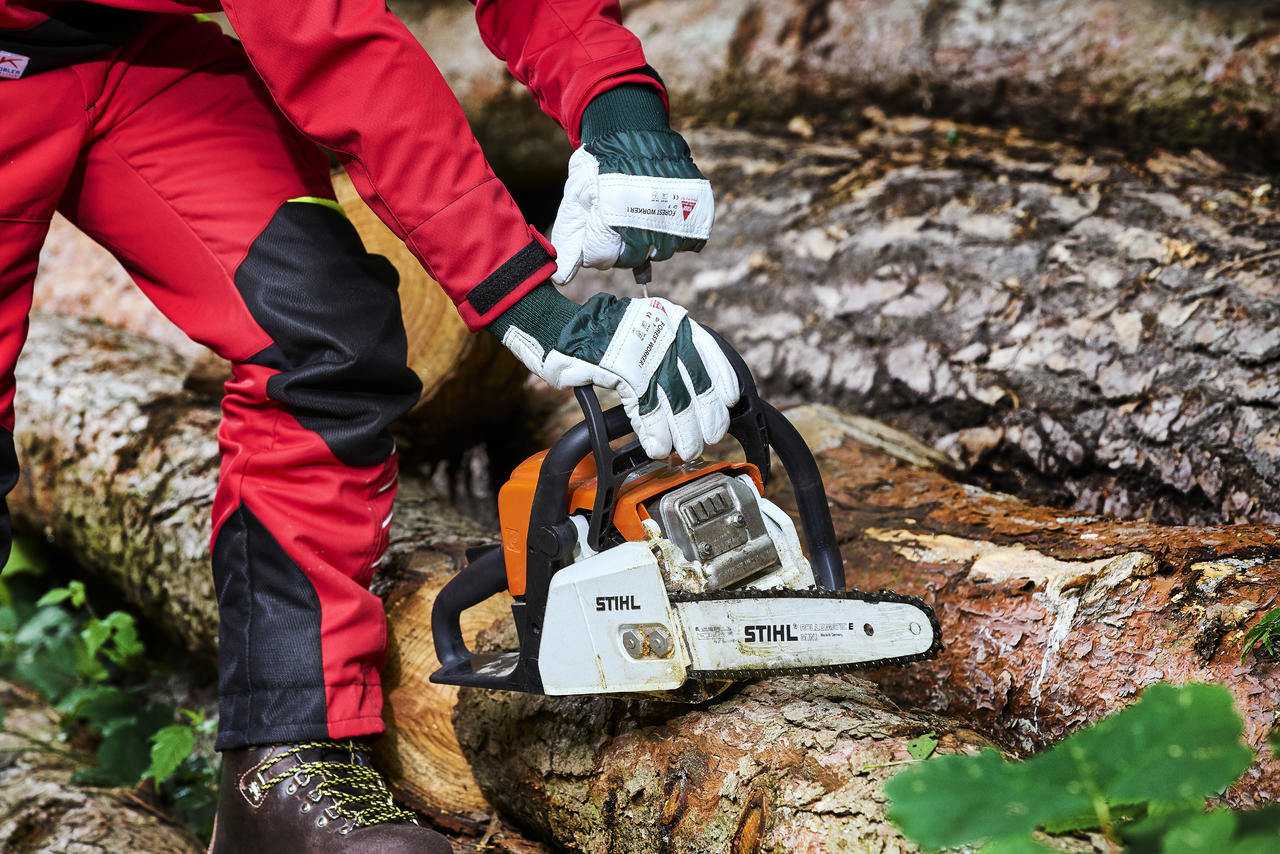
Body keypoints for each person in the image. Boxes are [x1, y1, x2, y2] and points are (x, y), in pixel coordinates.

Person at [0, 1, 736, 850]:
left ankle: (279, 772)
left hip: (123, 48)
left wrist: (614, 96)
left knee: (328, 336)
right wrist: (525, 296)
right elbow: (331, 41)